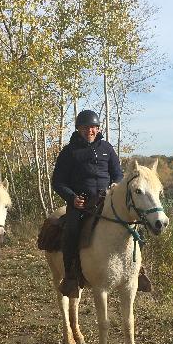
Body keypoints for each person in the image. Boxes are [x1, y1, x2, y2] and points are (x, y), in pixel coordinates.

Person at [51, 110, 123, 296]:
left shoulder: (107, 148)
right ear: (78, 129)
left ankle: (137, 271)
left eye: (93, 127)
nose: (90, 131)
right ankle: (71, 277)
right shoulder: (69, 151)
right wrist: (72, 198)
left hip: (106, 200)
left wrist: (116, 183)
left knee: (133, 223)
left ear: (98, 129)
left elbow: (117, 173)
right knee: (71, 230)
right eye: (85, 128)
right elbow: (58, 181)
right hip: (81, 203)